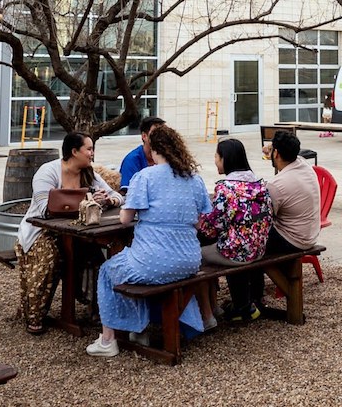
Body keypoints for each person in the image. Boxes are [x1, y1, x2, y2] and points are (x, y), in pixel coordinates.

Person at [87, 124, 212, 357]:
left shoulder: (144, 177)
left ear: (154, 149)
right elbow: (199, 223)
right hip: (189, 261)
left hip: (153, 261)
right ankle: (145, 326)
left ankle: (109, 339)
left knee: (108, 270)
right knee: (143, 271)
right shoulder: (194, 179)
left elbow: (125, 220)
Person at [15, 132, 122, 335]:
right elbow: (45, 208)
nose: (92, 153)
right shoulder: (47, 172)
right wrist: (86, 201)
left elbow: (116, 195)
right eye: (88, 149)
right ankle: (35, 314)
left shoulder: (89, 173)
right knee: (50, 258)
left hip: (79, 231)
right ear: (74, 151)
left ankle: (96, 309)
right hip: (42, 230)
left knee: (97, 257)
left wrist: (108, 201)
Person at [225, 129, 320, 321]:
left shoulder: (278, 184)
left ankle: (244, 304)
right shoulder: (303, 165)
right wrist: (272, 148)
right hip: (310, 232)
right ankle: (255, 297)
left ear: (276, 154)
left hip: (292, 239)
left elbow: (264, 219)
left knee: (242, 243)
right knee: (253, 239)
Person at [194, 138, 272, 330]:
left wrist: (196, 221)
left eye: (216, 155)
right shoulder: (259, 184)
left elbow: (211, 228)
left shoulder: (226, 189)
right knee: (231, 243)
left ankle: (209, 311)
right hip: (259, 248)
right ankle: (246, 302)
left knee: (195, 255)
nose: (214, 159)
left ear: (225, 158)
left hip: (236, 252)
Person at [119, 116, 165, 188]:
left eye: (163, 133)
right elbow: (127, 191)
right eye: (155, 134)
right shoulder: (131, 160)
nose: (161, 137)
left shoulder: (170, 157)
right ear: (144, 136)